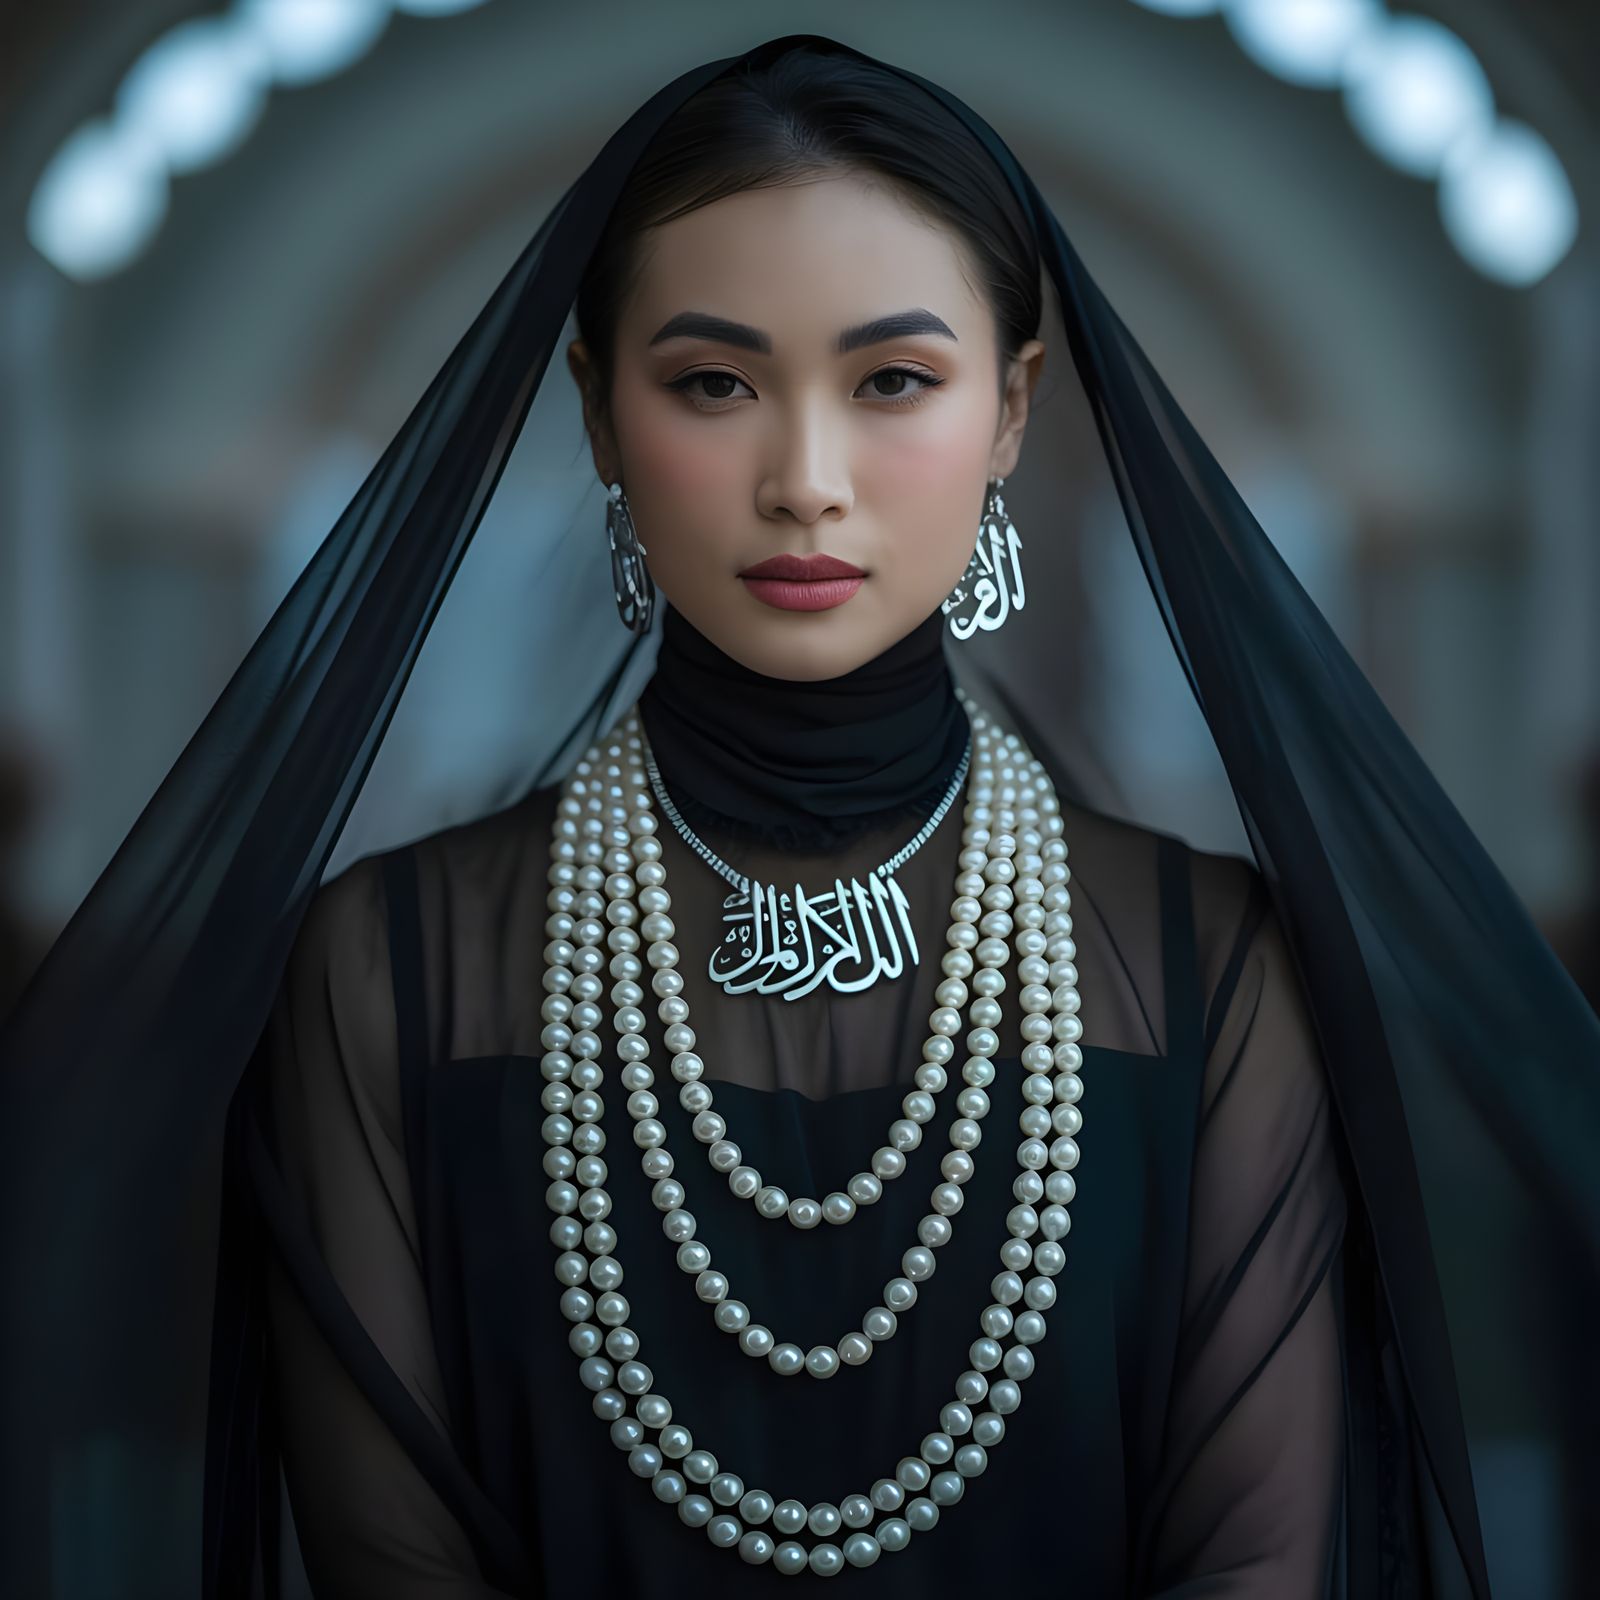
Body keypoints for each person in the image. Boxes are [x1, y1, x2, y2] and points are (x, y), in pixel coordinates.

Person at [2, 33, 1595, 1600]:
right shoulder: (384, 970)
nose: (806, 479)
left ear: (1014, 407)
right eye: (713, 383)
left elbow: (1252, 1561)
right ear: (599, 413)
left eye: (895, 379)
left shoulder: (1216, 970)